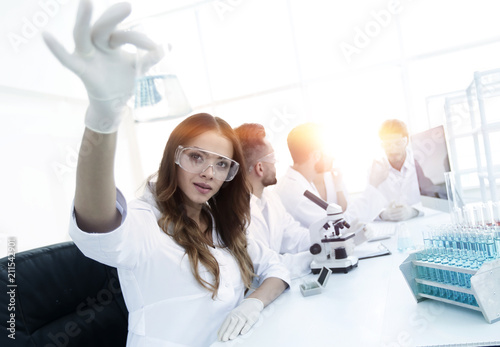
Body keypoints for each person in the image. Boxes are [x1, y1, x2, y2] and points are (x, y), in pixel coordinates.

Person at [42, 1, 289, 346]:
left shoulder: (221, 223)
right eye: (196, 157)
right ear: (173, 158)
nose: (209, 172)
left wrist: (252, 302)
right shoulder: (146, 223)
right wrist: (103, 116)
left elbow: (277, 268)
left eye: (221, 164)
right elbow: (98, 223)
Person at [274, 123, 390, 229]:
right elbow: (337, 226)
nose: (333, 158)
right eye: (329, 152)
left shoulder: (301, 183)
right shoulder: (294, 192)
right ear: (316, 156)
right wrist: (374, 184)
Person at [234, 123, 313, 278]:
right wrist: (316, 257)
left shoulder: (270, 199)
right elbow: (265, 265)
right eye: (273, 158)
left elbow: (294, 237)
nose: (276, 163)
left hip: (279, 284)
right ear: (260, 168)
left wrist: (326, 241)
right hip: (257, 290)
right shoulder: (235, 213)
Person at [373, 119, 423, 221]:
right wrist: (383, 214)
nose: (393, 149)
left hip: (420, 224)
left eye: (398, 143)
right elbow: (368, 207)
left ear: (406, 141)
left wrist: (414, 211)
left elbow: (438, 203)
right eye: (387, 145)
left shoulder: (421, 163)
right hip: (390, 230)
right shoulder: (374, 170)